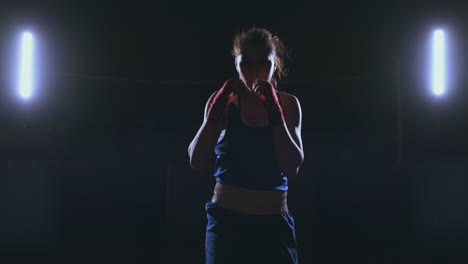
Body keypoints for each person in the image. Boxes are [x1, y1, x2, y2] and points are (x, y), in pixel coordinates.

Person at [187, 26, 304, 264]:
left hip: (273, 223)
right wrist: (214, 114)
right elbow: (197, 161)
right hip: (226, 223)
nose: (254, 72)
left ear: (275, 64)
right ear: (236, 64)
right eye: (246, 63)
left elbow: (292, 168)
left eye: (263, 63)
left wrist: (275, 113)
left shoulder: (288, 104)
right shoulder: (222, 102)